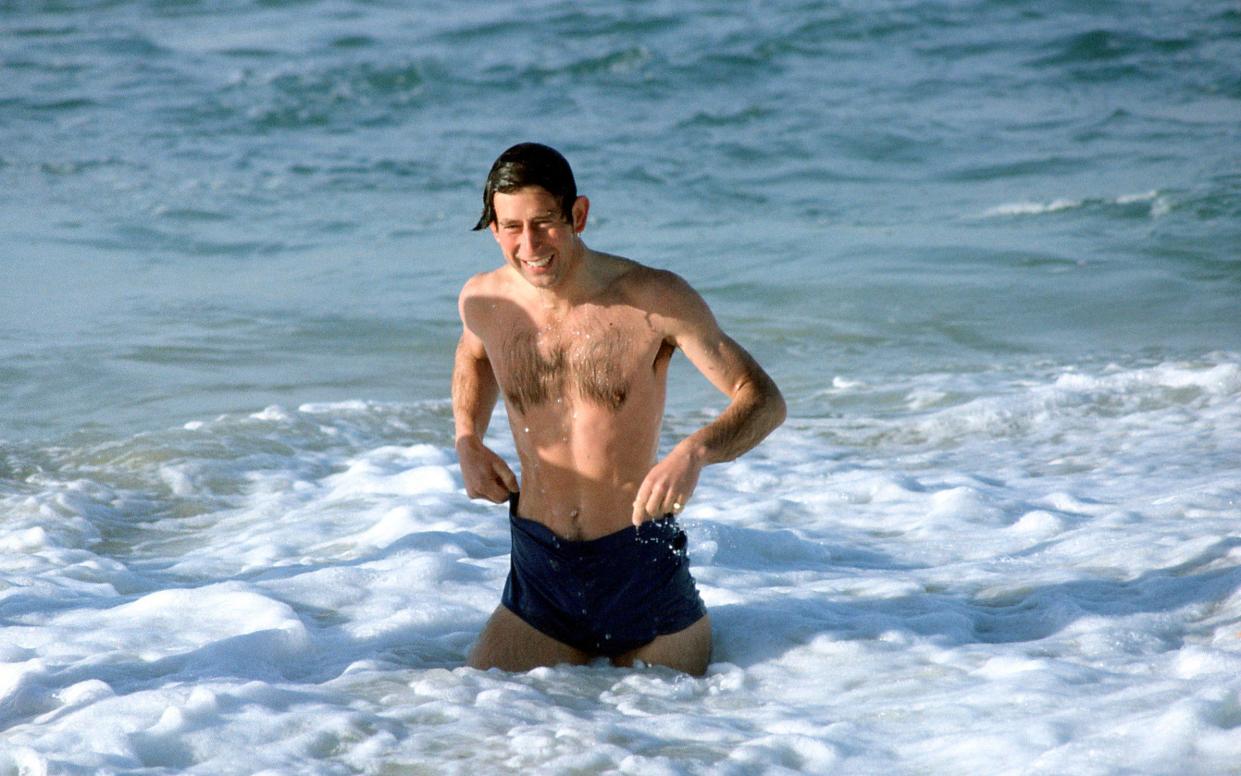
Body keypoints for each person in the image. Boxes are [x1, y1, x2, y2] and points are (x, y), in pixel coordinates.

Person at [453, 142, 785, 676]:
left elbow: (763, 399)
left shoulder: (653, 299)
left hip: (640, 569)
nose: (529, 244)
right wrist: (467, 437)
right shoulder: (483, 301)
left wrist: (696, 451)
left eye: (545, 222)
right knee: (475, 719)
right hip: (540, 573)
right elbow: (473, 356)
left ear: (578, 215)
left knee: (676, 739)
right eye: (512, 227)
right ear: (494, 227)